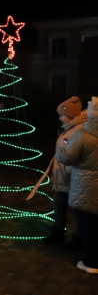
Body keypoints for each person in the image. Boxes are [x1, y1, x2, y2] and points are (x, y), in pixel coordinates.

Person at [55, 97, 98, 274]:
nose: (60, 118)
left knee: (87, 224)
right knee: (92, 223)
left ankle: (91, 262)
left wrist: (62, 150)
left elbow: (66, 157)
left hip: (84, 185)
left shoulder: (83, 134)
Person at [43, 96, 86, 244]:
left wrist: (66, 172)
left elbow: (74, 156)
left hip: (71, 179)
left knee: (76, 209)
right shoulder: (69, 129)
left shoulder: (77, 131)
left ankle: (78, 238)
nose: (60, 118)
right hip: (64, 177)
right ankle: (60, 232)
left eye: (62, 115)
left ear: (71, 115)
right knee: (60, 205)